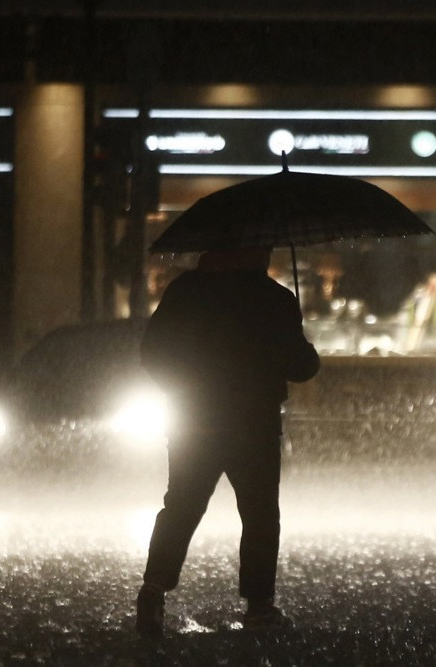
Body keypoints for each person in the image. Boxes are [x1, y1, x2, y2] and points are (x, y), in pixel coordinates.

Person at [135, 245, 320, 637]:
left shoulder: (186, 291)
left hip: (194, 419)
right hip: (253, 423)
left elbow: (152, 352)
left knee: (181, 506)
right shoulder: (274, 298)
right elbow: (301, 366)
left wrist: (183, 389)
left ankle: (153, 591)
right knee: (259, 515)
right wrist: (308, 352)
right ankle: (259, 606)